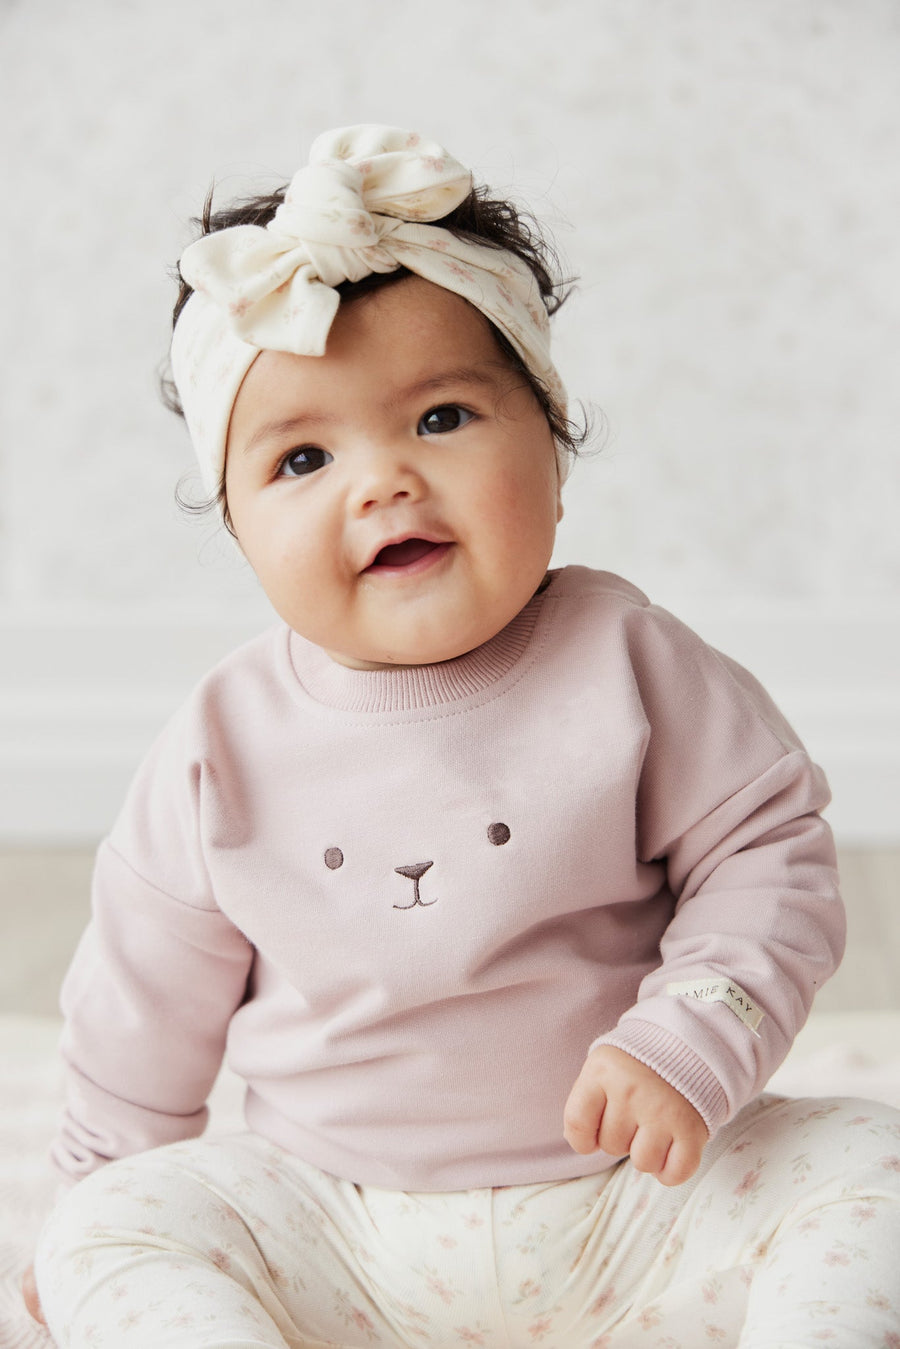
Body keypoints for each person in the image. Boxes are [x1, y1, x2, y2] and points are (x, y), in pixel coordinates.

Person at [27, 125, 900, 1348]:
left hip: (639, 1199)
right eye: (303, 456)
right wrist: (98, 1196)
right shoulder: (218, 744)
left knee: (874, 1169)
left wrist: (687, 1039)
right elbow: (139, 1012)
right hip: (336, 1228)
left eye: (441, 416)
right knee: (104, 1230)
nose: (382, 481)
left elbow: (770, 863)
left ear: (554, 445)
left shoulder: (631, 662)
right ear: (237, 527)